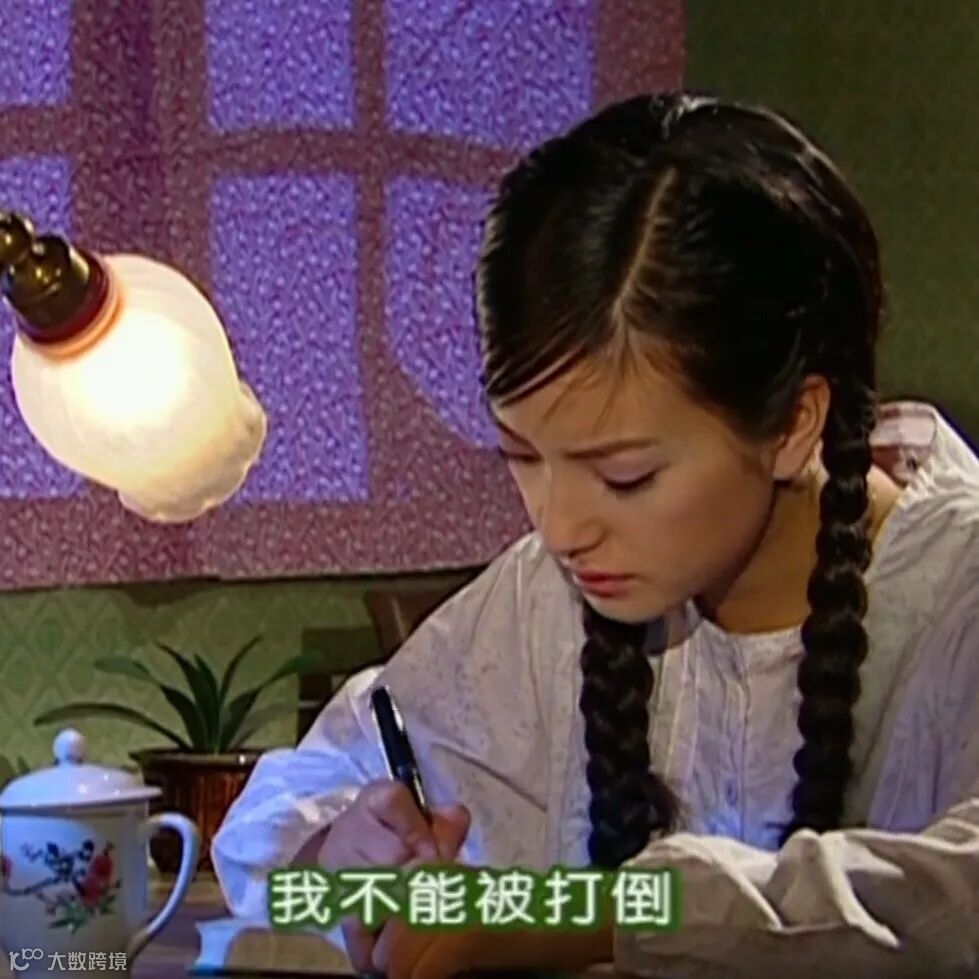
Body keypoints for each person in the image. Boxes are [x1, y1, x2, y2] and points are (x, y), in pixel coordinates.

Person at [210, 91, 979, 979]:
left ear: (793, 422)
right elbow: (286, 812)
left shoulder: (954, 591)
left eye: (624, 476)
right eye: (522, 455)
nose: (559, 525)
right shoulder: (544, 595)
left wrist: (582, 913)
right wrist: (338, 861)